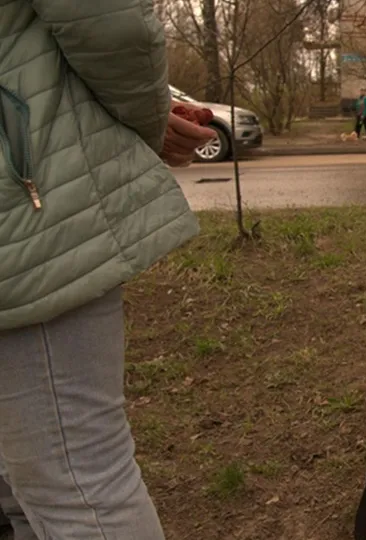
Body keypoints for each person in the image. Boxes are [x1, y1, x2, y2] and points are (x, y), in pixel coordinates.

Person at [0, 2, 215, 539]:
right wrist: (142, 124)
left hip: (23, 219)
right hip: (26, 211)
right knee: (73, 486)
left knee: (35, 483)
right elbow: (112, 22)